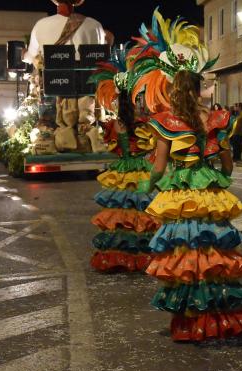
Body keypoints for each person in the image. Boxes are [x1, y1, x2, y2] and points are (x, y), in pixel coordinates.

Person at [132, 10, 242, 341]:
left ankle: (194, 318)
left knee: (187, 255)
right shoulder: (217, 118)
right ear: (198, 87)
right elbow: (227, 161)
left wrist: (148, 187)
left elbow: (160, 166)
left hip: (181, 195)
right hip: (210, 193)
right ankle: (218, 315)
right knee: (214, 252)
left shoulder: (167, 121)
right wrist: (225, 177)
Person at [88, 47, 159, 272]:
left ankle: (120, 257)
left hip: (121, 169)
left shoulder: (115, 125)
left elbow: (113, 148)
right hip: (140, 168)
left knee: (121, 213)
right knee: (141, 212)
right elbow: (152, 145)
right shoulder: (143, 122)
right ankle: (142, 256)